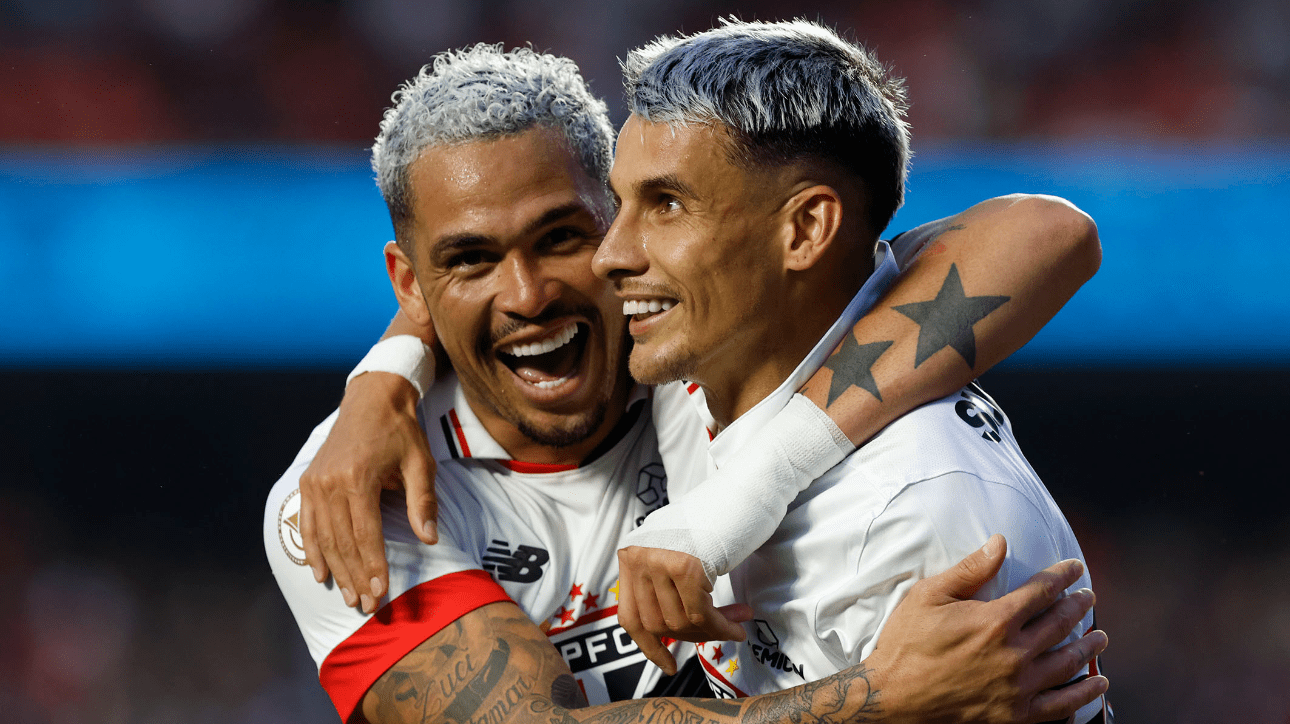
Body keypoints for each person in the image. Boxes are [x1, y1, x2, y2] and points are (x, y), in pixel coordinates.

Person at [265, 42, 1105, 724]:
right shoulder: (351, 500)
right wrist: (879, 699)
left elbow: (1044, 232)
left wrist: (733, 501)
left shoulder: (691, 346)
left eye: (564, 236)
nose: (527, 296)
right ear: (410, 285)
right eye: (470, 260)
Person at [586, 19, 1109, 722]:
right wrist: (394, 371)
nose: (609, 255)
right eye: (620, 204)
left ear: (804, 231)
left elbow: (1055, 231)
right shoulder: (710, 365)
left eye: (667, 205)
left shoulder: (914, 515)